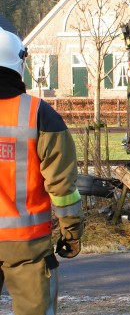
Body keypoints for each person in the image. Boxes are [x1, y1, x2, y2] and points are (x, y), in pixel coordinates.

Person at [0, 27, 84, 314]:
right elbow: (62, 188)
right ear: (19, 64)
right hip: (27, 247)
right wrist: (71, 233)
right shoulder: (40, 115)